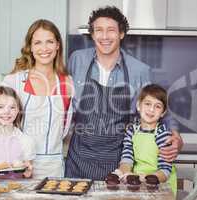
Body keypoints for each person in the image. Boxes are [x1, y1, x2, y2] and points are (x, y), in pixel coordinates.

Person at [65, 6, 183, 180]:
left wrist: (176, 137)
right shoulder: (77, 60)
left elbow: (160, 109)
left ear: (121, 34)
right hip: (78, 159)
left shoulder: (139, 70)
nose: (104, 36)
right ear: (92, 34)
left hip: (118, 162)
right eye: (99, 30)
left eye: (111, 30)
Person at [0, 19, 73, 178]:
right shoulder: (14, 81)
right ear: (30, 47)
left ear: (57, 45)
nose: (44, 48)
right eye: (37, 42)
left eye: (50, 42)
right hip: (16, 166)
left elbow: (66, 130)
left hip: (53, 168)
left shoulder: (67, 83)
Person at [117, 84, 177, 195]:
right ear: (138, 106)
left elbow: (165, 171)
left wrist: (144, 178)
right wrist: (126, 173)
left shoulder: (162, 134)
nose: (151, 109)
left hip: (161, 188)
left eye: (157, 106)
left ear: (163, 113)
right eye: (147, 104)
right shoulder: (132, 131)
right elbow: (127, 159)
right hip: (138, 185)